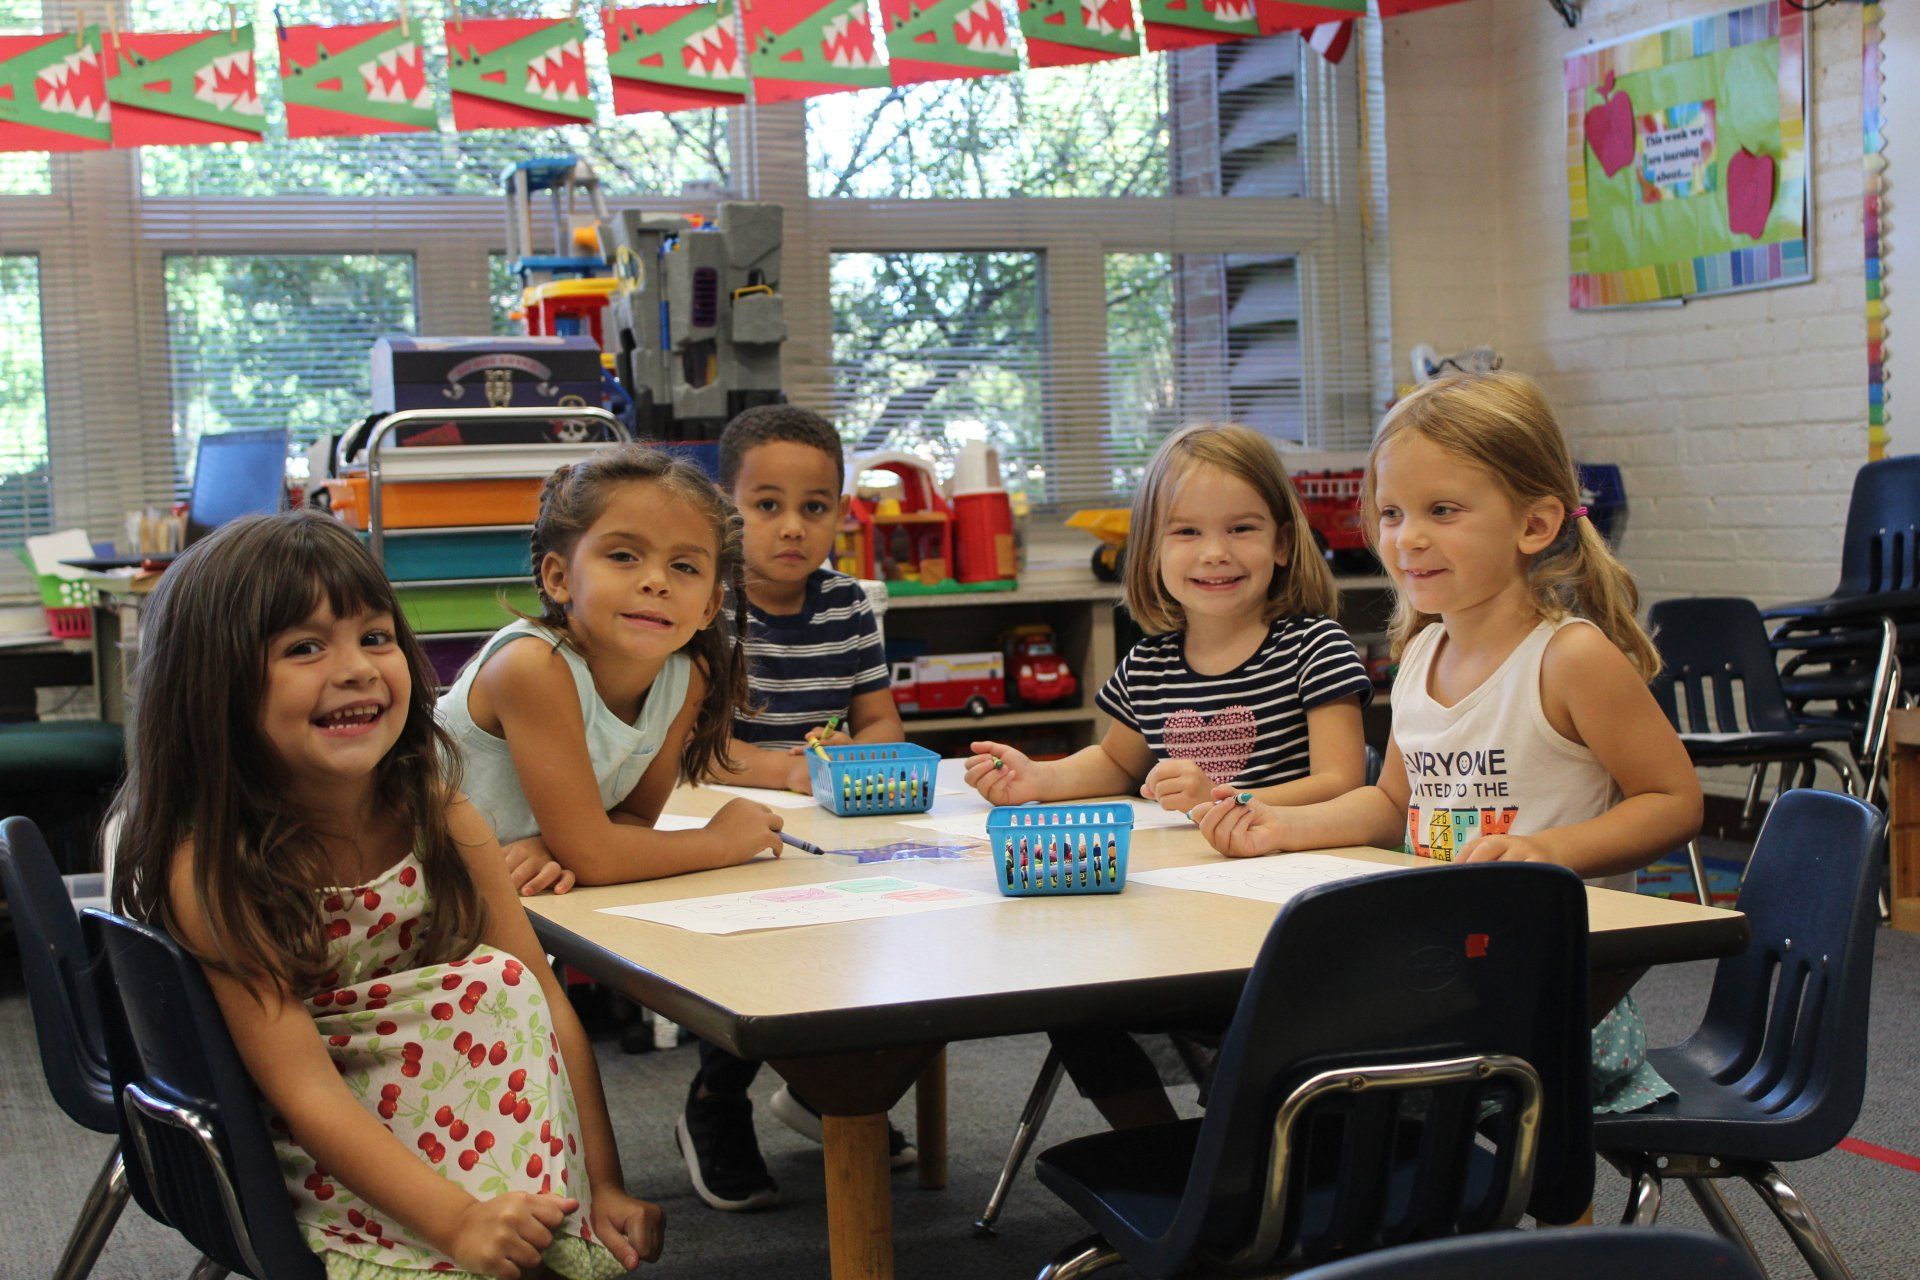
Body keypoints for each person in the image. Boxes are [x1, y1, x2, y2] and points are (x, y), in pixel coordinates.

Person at [111, 511, 663, 1280]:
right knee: (488, 987)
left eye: (376, 638)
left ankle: (530, 1230)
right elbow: (302, 1087)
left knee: (501, 985)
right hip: (336, 1158)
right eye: (304, 648)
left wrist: (606, 1183)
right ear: (215, 685)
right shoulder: (212, 866)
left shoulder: (441, 815)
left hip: (461, 1129)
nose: (359, 669)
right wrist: (458, 1220)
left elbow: (544, 997)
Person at [1195, 371, 1704, 1113]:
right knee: (1269, 1042)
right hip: (1441, 974)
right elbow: (1391, 802)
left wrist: (1549, 853)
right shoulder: (1421, 657)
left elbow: (1675, 802)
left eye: (1443, 511)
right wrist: (1283, 825)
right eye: (1393, 513)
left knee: (1296, 1060)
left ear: (1534, 525)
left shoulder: (1569, 658)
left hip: (1555, 1005)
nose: (1409, 538)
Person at [968, 421, 1373, 1129]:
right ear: (1149, 551)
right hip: (1184, 904)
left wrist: (1229, 799)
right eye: (1185, 533)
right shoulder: (1151, 662)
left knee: (1247, 1034)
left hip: (1291, 909)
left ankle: (1245, 1138)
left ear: (1282, 543)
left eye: (1242, 528)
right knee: (1069, 997)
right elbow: (1116, 762)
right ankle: (1163, 1154)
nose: (1215, 553)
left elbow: (1343, 780)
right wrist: (1040, 780)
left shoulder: (1313, 646)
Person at [669, 405, 915, 1212]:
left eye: (814, 508)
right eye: (766, 505)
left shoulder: (847, 605)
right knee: (755, 963)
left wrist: (857, 754)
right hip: (722, 817)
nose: (791, 528)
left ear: (840, 514)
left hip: (825, 811)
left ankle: (826, 1091)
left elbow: (879, 718)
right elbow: (689, 749)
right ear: (724, 508)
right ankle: (715, 1100)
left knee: (871, 941)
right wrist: (783, 769)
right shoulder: (707, 607)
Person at [437, 443, 785, 896]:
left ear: (709, 606)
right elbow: (597, 857)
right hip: (404, 882)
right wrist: (718, 842)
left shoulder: (684, 679)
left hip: (494, 889)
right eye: (623, 556)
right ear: (559, 578)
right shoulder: (532, 667)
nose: (656, 581)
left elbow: (632, 820)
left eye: (684, 566)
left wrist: (557, 844)